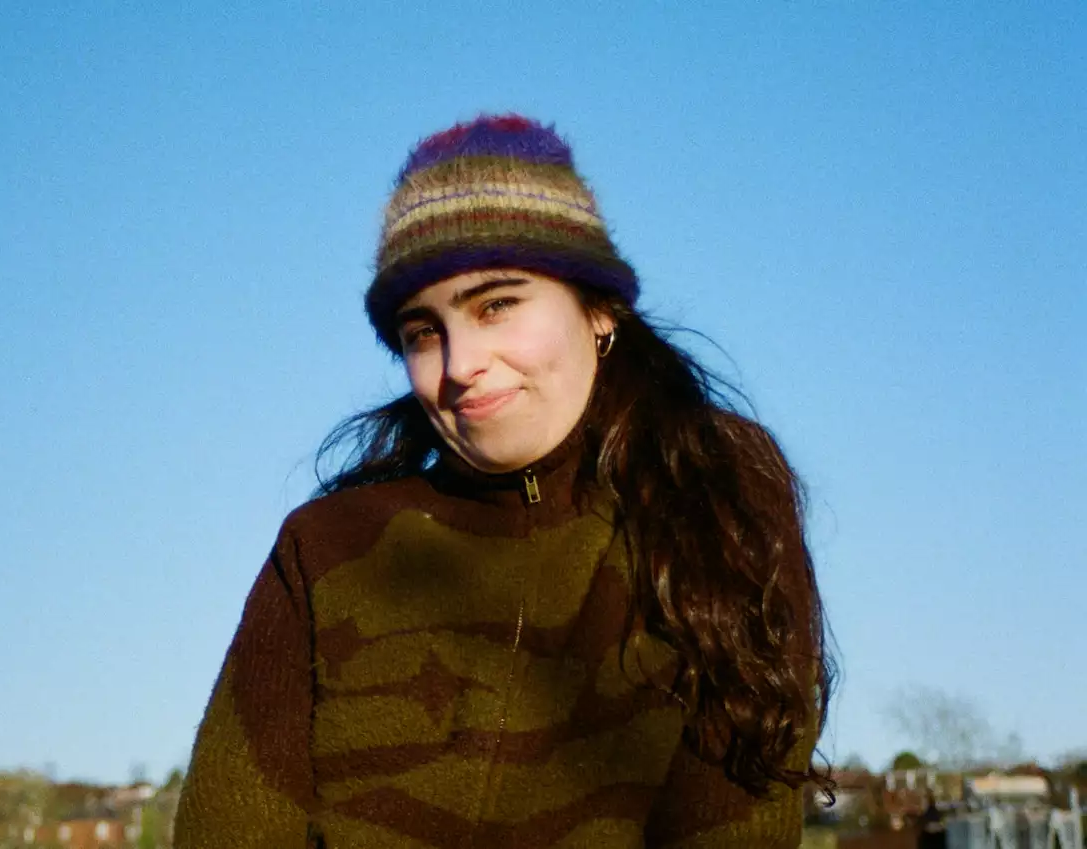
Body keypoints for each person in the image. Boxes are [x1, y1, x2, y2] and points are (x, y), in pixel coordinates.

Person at [175, 113, 834, 848]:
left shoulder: (719, 502)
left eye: (497, 304)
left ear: (599, 309)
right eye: (422, 332)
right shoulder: (326, 548)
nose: (460, 364)